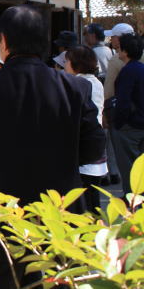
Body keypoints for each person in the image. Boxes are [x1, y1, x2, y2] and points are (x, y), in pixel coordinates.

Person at [0, 5, 105, 288]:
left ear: (3, 42)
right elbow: (94, 147)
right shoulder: (74, 87)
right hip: (58, 209)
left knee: (3, 278)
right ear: (43, 42)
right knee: (56, 278)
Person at [64, 45, 108, 212]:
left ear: (76, 63)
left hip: (84, 146)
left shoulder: (79, 83)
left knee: (85, 201)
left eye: (67, 61)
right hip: (96, 143)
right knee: (93, 198)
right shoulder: (96, 82)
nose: (64, 65)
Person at [109, 34, 144, 197]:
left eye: (119, 48)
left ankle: (133, 200)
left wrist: (118, 123)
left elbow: (123, 101)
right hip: (140, 123)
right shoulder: (141, 69)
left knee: (129, 167)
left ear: (125, 51)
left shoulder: (127, 72)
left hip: (129, 126)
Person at [104, 23, 136, 100]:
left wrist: (107, 103)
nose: (111, 39)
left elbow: (109, 90)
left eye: (112, 36)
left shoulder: (116, 59)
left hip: (123, 102)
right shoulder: (141, 54)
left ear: (118, 39)